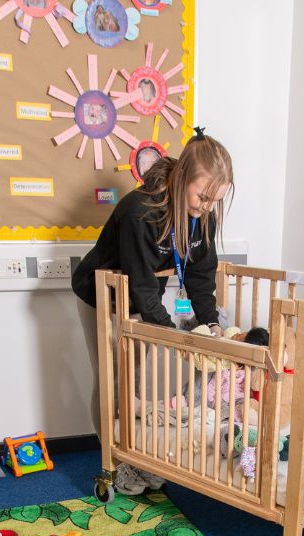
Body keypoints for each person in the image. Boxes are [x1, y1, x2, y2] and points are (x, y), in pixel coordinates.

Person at [71, 128, 234, 494]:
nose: (207, 207)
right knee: (113, 378)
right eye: (203, 197)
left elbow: (200, 275)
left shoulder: (201, 213)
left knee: (140, 379)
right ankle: (112, 463)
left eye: (215, 201)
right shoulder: (138, 211)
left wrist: (210, 322)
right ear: (183, 178)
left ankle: (140, 453)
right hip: (103, 297)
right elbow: (142, 288)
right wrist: (175, 336)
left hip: (140, 297)